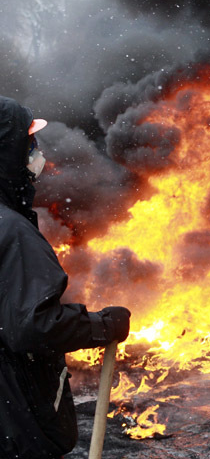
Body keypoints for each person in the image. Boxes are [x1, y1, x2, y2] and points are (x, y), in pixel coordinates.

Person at [0, 96, 131, 458]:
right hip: (15, 424)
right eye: (28, 144)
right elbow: (32, 326)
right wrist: (102, 325)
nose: (36, 154)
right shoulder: (11, 232)